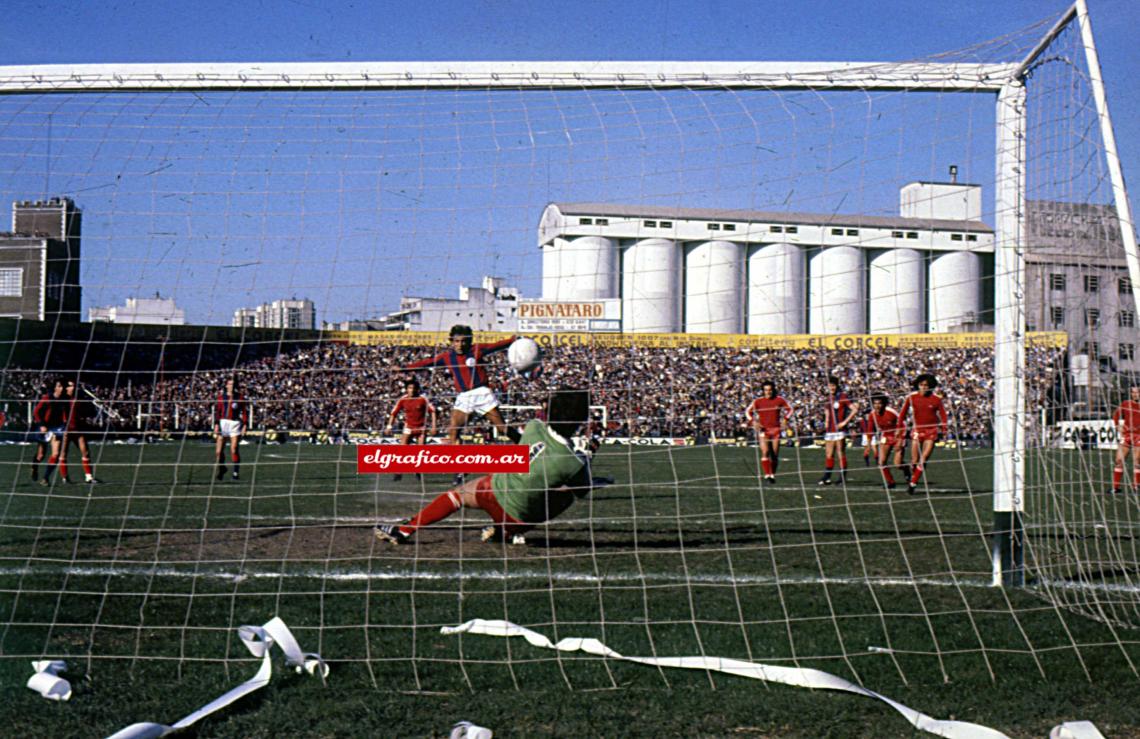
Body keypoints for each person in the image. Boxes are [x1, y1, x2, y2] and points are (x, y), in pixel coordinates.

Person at [374, 389, 605, 546]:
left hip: (491, 492)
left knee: (458, 495)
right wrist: (588, 457)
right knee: (566, 495)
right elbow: (583, 489)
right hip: (518, 517)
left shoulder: (535, 426)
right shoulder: (572, 462)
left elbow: (521, 441)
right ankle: (508, 531)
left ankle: (406, 530)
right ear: (580, 420)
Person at [403, 324, 518, 484]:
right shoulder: (446, 357)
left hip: (482, 393)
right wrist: (406, 368)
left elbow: (496, 346)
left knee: (501, 428)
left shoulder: (477, 350)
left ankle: (523, 443)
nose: (460, 344)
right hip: (463, 397)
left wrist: (512, 340)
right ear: (451, 341)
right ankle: (460, 470)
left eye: (464, 341)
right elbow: (428, 362)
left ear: (469, 341)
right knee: (453, 432)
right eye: (456, 341)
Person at [898, 373, 949, 495]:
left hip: (931, 431)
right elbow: (902, 414)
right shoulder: (912, 398)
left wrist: (944, 429)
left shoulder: (936, 400)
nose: (924, 387)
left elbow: (943, 415)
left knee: (924, 458)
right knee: (914, 460)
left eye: (926, 385)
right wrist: (900, 428)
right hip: (917, 431)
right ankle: (914, 475)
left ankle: (913, 484)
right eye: (921, 385)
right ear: (917, 385)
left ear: (930, 386)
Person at [385, 378, 437, 481]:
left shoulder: (423, 399)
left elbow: (433, 411)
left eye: (413, 388)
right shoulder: (403, 399)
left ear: (417, 389)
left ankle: (417, 470)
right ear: (406, 389)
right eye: (409, 388)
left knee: (420, 452)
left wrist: (434, 426)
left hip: (421, 428)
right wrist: (389, 426)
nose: (411, 390)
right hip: (408, 427)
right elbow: (393, 413)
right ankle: (398, 472)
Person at [745, 380, 794, 485]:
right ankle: (767, 475)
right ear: (763, 391)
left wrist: (785, 419)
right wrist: (753, 422)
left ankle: (772, 475)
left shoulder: (779, 400)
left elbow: (790, 409)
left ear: (773, 390)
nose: (768, 392)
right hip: (764, 430)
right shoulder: (758, 401)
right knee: (765, 451)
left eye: (770, 390)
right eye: (766, 390)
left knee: (774, 454)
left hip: (776, 430)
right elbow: (747, 412)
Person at [55, 379, 103, 485]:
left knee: (85, 451)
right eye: (71, 386)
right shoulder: (62, 400)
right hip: (65, 429)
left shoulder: (78, 398)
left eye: (74, 386)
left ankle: (89, 477)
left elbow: (87, 408)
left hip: (77, 428)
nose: (73, 388)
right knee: (63, 454)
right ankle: (65, 478)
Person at [819, 376, 858, 486]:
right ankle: (827, 477)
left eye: (833, 385)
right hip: (830, 430)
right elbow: (827, 411)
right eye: (829, 385)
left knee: (840, 452)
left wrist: (845, 422)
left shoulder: (843, 396)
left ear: (837, 386)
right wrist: (826, 422)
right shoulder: (828, 398)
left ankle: (842, 477)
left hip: (839, 430)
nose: (831, 387)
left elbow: (854, 409)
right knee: (829, 454)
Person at [865, 393, 906, 490]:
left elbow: (903, 424)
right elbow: (870, 430)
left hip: (897, 436)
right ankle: (890, 482)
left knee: (898, 464)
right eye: (875, 404)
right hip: (886, 437)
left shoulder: (891, 412)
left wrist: (901, 439)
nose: (877, 406)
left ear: (884, 404)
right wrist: (868, 445)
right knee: (881, 461)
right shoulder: (872, 415)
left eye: (879, 403)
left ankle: (906, 470)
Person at [32, 378, 67, 484]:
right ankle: (34, 467)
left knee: (56, 454)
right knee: (41, 455)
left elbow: (66, 413)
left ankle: (45, 478)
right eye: (59, 386)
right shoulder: (47, 398)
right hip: (45, 427)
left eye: (63, 386)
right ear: (55, 388)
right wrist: (42, 425)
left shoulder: (65, 399)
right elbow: (36, 412)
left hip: (57, 428)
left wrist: (65, 425)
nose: (62, 388)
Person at [213, 376, 249, 481]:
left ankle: (235, 472)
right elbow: (218, 412)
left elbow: (245, 412)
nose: (231, 386)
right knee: (219, 452)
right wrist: (216, 424)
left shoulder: (240, 397)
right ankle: (222, 468)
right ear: (226, 385)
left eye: (233, 384)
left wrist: (245, 425)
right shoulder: (221, 397)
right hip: (222, 423)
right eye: (229, 384)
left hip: (235, 424)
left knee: (234, 449)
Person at [1108, 384, 1140, 494]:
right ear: (1131, 393)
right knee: (1118, 460)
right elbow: (1116, 415)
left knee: (1137, 461)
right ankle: (1115, 488)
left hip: (1139, 436)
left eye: (1138, 392)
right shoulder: (1126, 404)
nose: (1136, 394)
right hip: (1126, 436)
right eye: (1134, 392)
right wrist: (1118, 426)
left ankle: (1136, 486)